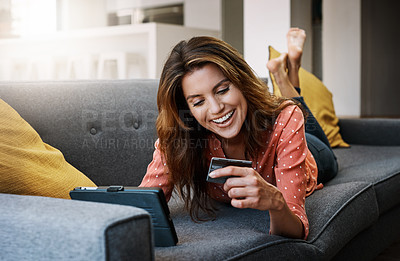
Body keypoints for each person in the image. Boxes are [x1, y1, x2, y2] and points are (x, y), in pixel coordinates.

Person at [140, 28, 338, 240]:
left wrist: (276, 202)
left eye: (223, 90)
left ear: (240, 81)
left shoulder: (286, 121)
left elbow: (296, 229)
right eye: (198, 102)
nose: (216, 108)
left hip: (311, 150)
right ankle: (284, 74)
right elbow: (142, 205)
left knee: (302, 121)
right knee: (293, 113)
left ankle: (286, 76)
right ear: (187, 109)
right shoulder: (179, 138)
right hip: (283, 127)